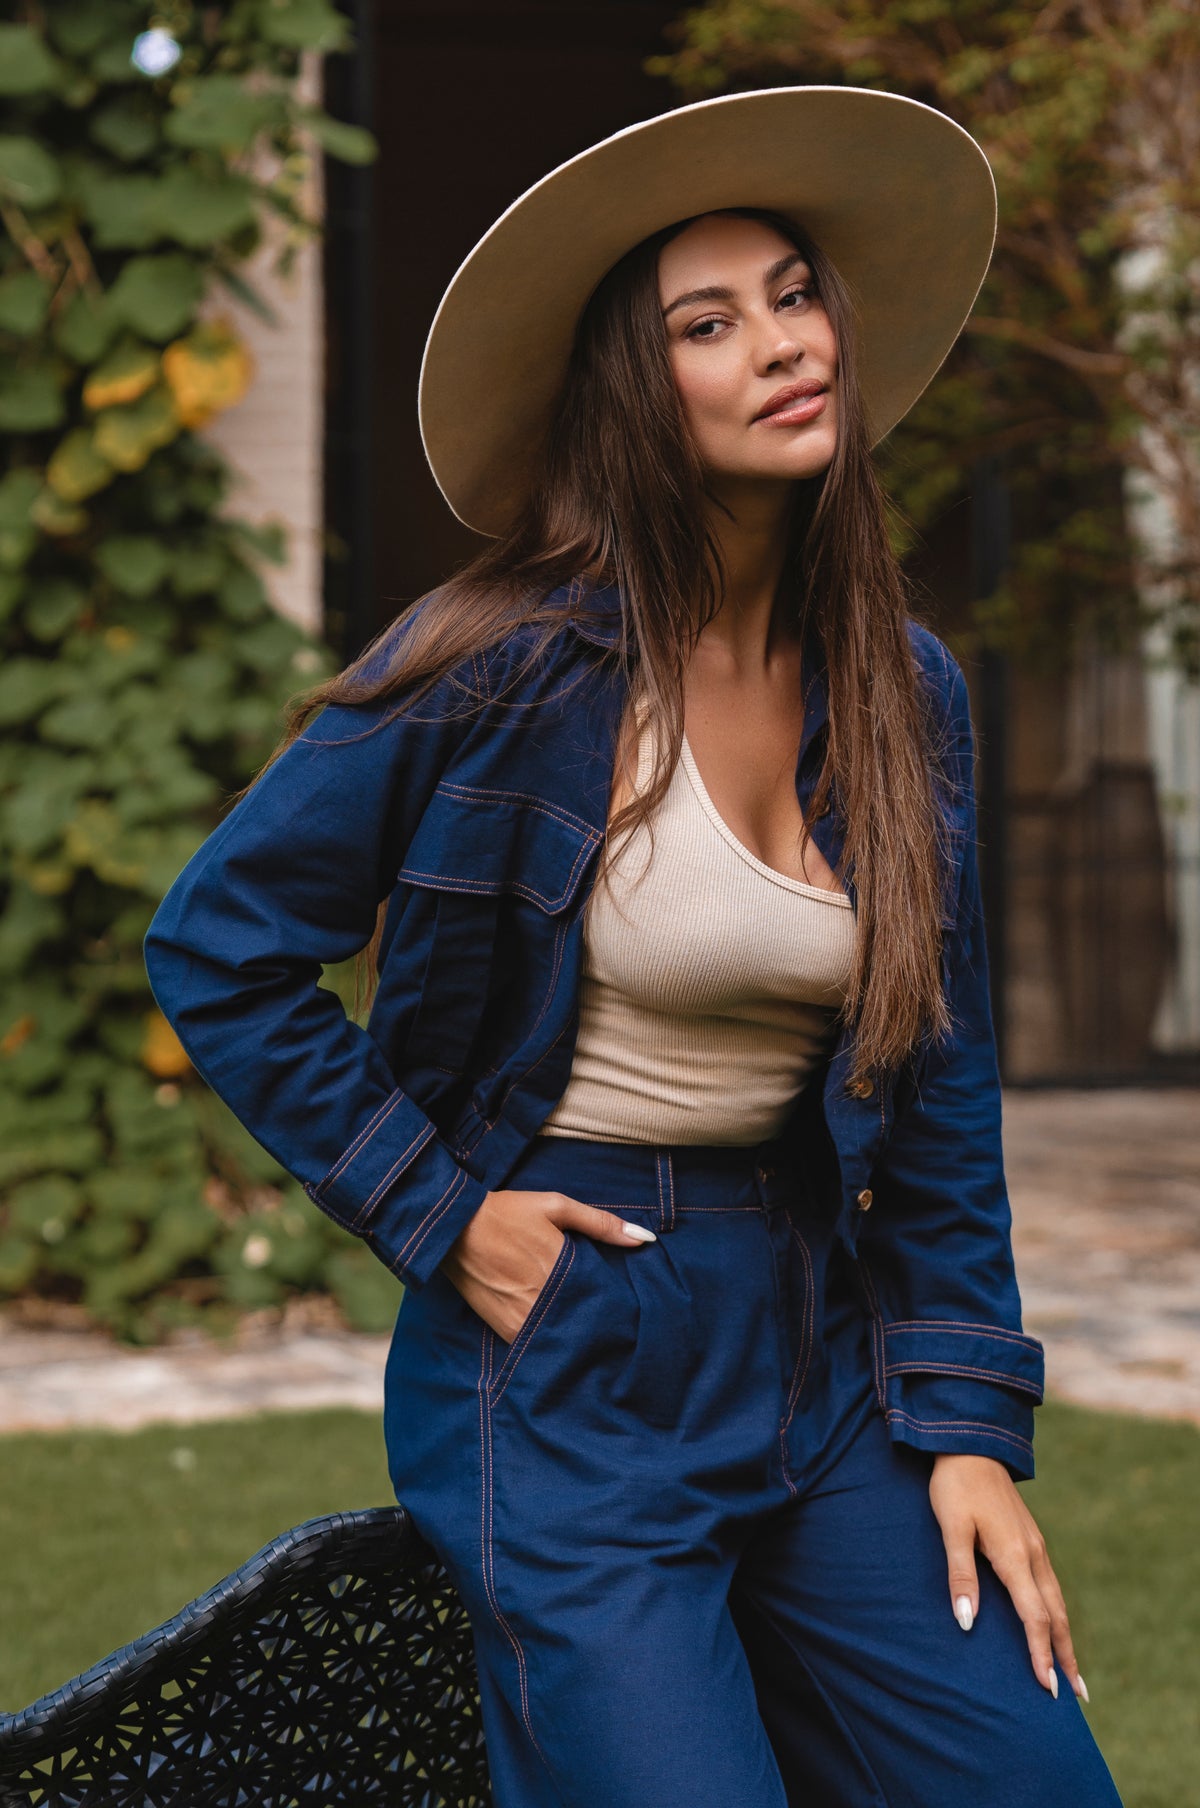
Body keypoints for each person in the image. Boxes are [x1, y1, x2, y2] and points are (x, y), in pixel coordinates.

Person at [144, 87, 1125, 1808]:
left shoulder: (909, 694)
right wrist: (443, 1217)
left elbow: (940, 1085)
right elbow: (221, 945)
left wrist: (966, 1422)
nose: (784, 341)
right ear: (633, 389)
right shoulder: (497, 667)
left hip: (827, 1349)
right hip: (579, 1345)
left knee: (1033, 1781)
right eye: (710, 321)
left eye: (797, 293)